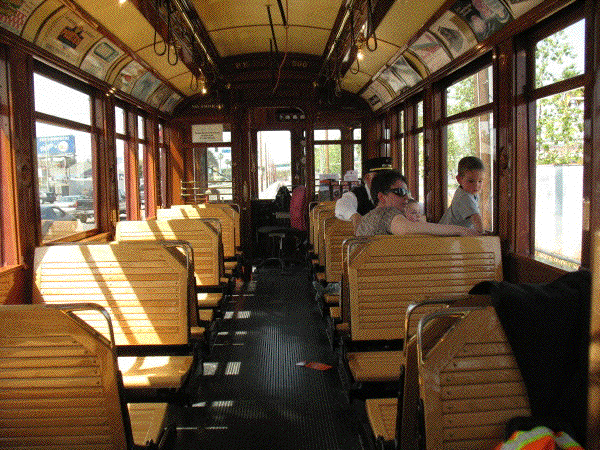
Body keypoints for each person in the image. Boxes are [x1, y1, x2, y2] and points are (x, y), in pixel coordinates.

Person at [356, 170, 479, 237]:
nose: (406, 197)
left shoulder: (367, 218)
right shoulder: (386, 213)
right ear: (382, 197)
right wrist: (461, 230)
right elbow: (406, 229)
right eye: (400, 192)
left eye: (407, 192)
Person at [335, 156, 393, 230]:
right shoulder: (356, 195)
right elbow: (342, 204)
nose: (384, 181)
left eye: (388, 177)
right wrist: (354, 216)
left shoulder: (394, 193)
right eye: (379, 177)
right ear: (367, 178)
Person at [439, 156, 485, 233]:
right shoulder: (464, 197)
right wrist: (484, 237)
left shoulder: (468, 192)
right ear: (459, 179)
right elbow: (477, 220)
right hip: (447, 237)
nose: (476, 185)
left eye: (480, 181)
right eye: (471, 181)